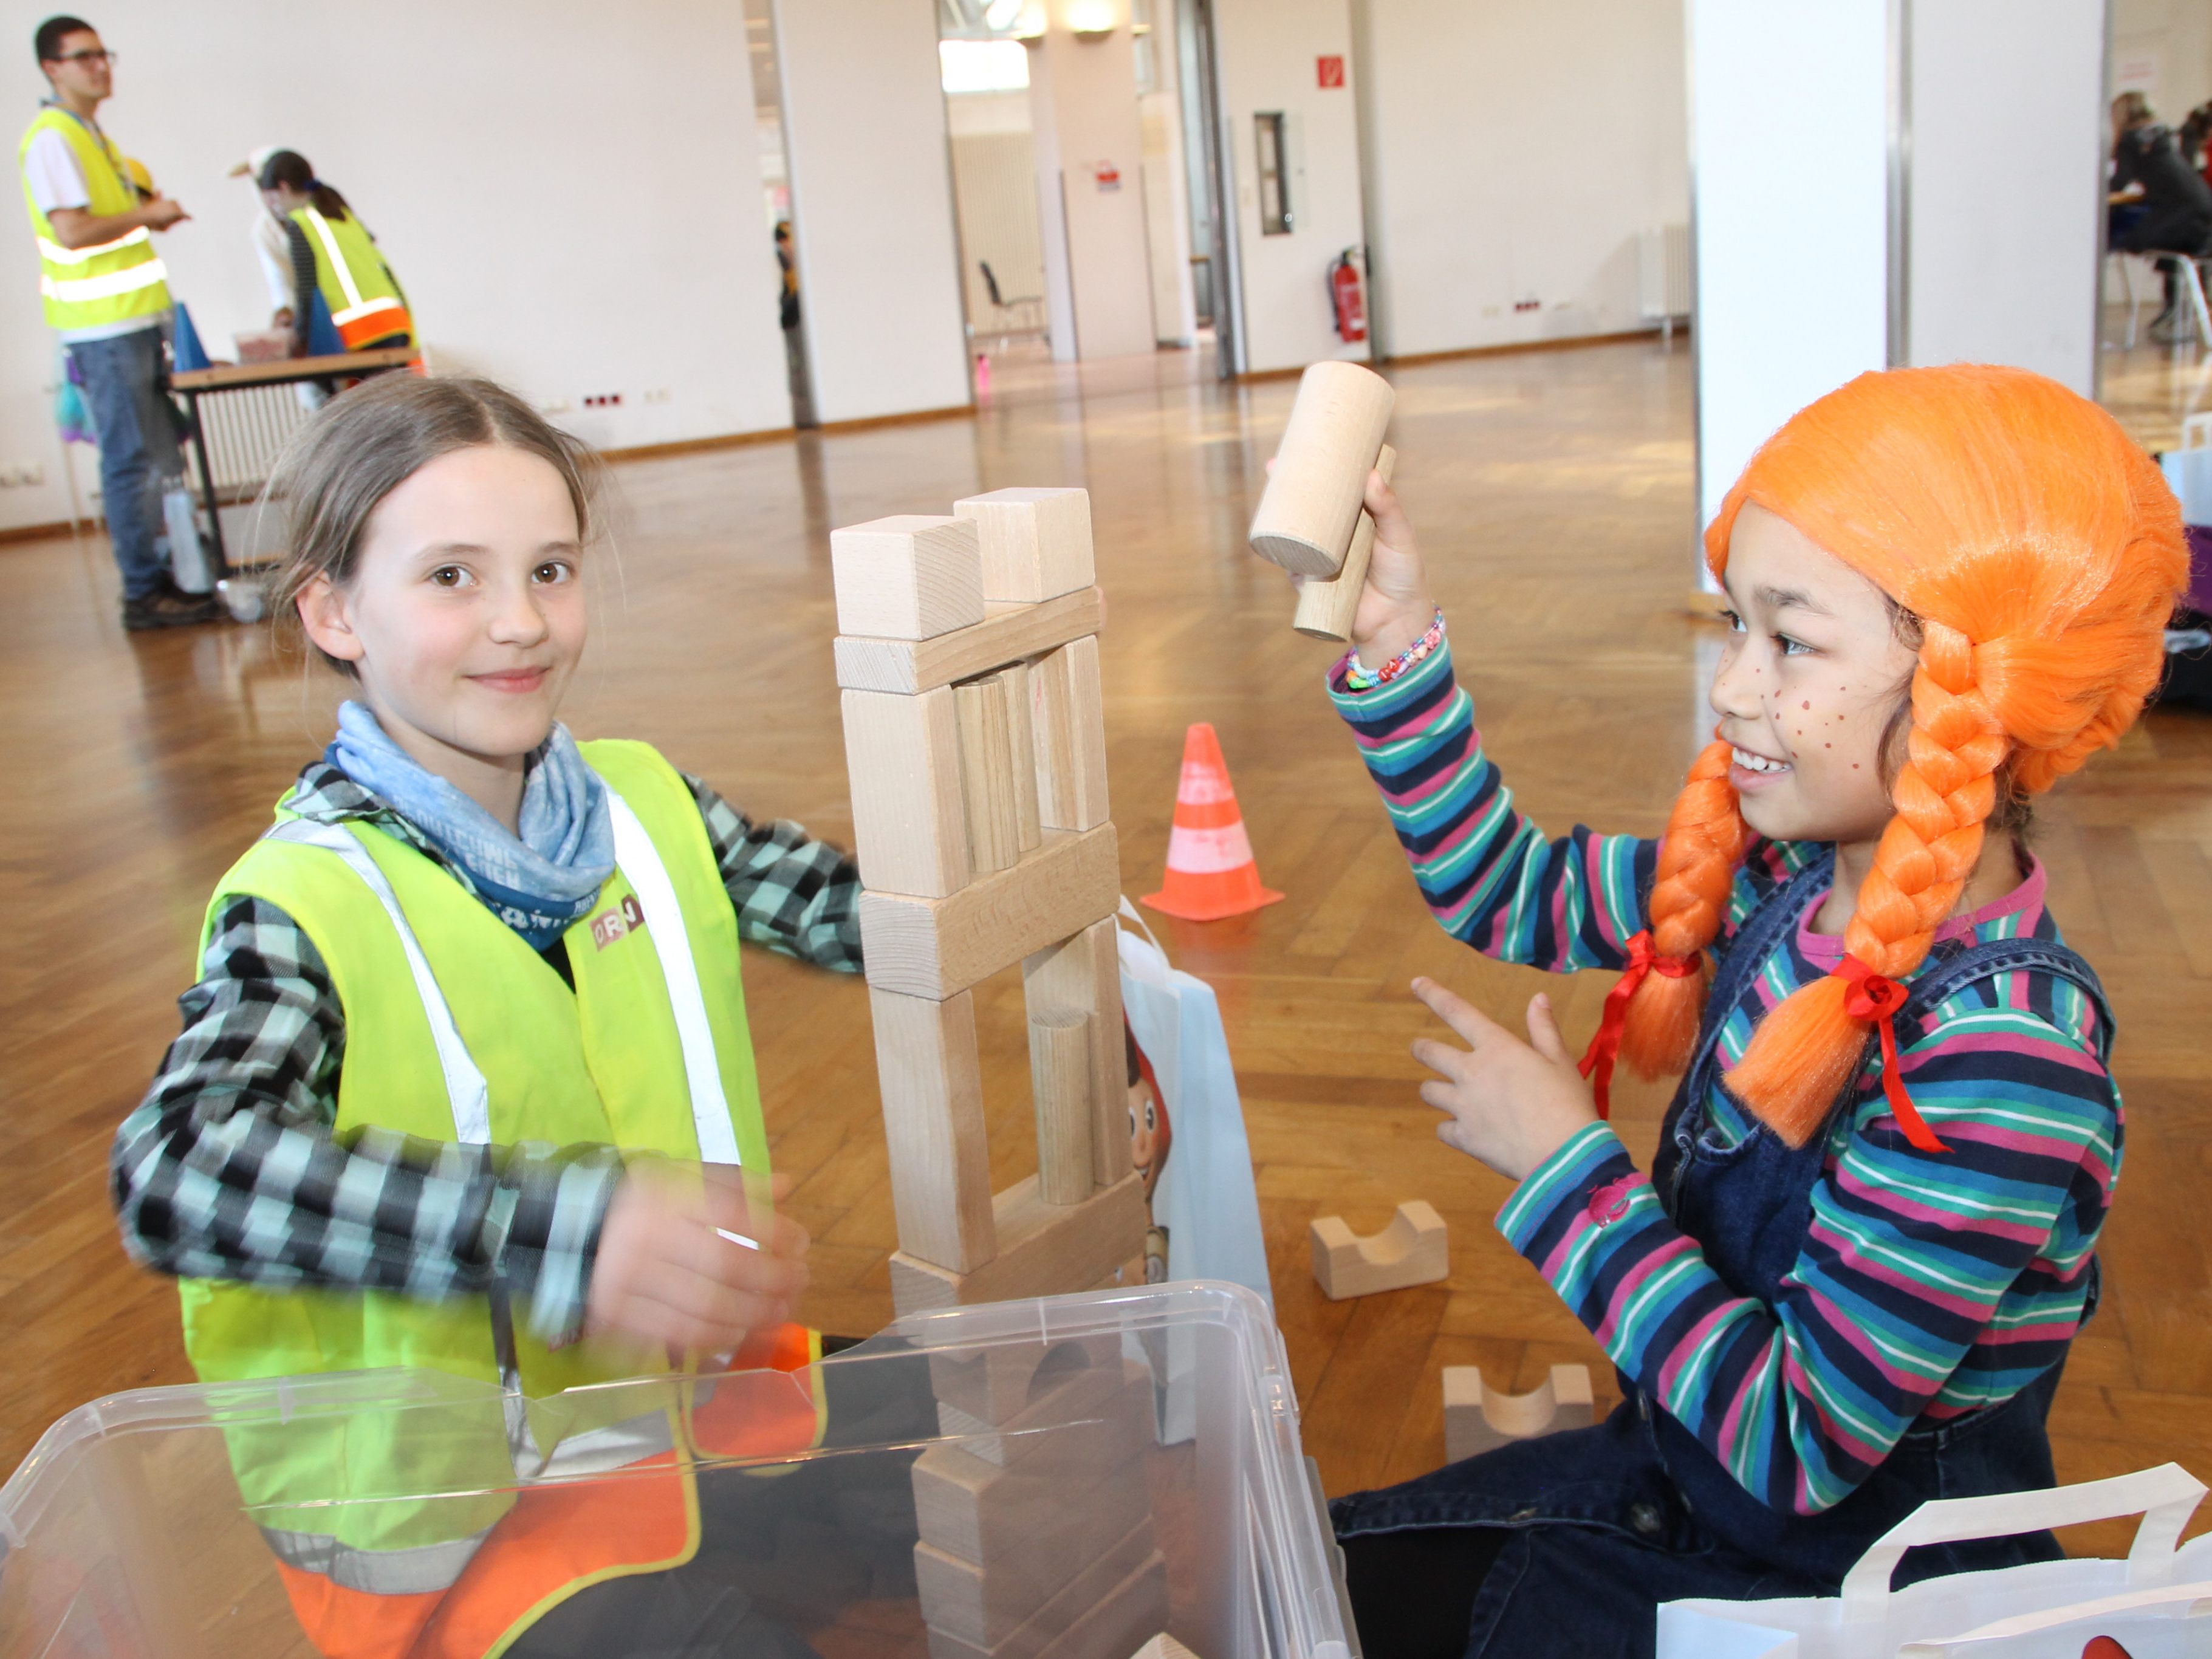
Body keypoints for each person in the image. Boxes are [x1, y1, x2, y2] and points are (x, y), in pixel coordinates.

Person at [1311, 364, 2184, 1658]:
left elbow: (1795, 1442)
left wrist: (1563, 1168)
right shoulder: (1773, 882)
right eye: (1735, 625)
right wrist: (1395, 649)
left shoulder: (1998, 1058)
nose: (1728, 689)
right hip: (1679, 1495)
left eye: (1787, 639)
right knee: (1312, 1571)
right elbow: (1502, 888)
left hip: (1840, 1599)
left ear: (1968, 692)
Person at [110, 374, 870, 1657]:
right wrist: (566, 1230)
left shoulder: (636, 803)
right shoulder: (301, 900)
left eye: (552, 569)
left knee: (1002, 1442)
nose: (520, 623)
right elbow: (175, 1172)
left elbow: (848, 909)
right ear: (333, 612)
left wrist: (1060, 923)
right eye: (452, 577)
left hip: (673, 1423)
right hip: (468, 1540)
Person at [18, 15, 215, 629]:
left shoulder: (90, 136)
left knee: (157, 456)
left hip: (130, 322)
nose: (100, 65)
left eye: (104, 53)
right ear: (53, 68)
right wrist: (146, 214)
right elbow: (71, 230)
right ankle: (143, 592)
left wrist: (144, 215)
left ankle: (168, 577)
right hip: (104, 328)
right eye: (84, 56)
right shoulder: (55, 136)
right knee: (133, 459)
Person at [257, 147, 414, 355]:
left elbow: (307, 290)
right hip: (394, 321)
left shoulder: (302, 223)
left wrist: (299, 338)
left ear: (284, 188)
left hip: (358, 330)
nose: (277, 210)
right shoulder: (343, 215)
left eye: (274, 201)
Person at [2109, 91, 2212, 342]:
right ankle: (2175, 312)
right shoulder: (2161, 134)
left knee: (2116, 236)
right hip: (2202, 219)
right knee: (2169, 250)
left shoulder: (2131, 140)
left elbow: (2119, 182)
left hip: (2182, 221)